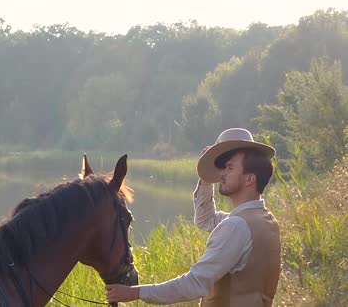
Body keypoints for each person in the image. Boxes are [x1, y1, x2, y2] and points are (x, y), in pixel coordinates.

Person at [106, 128, 281, 306]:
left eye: (229, 168)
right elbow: (205, 219)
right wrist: (207, 177)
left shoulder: (236, 226)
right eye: (222, 168)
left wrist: (134, 292)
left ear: (249, 179)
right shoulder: (264, 219)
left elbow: (194, 283)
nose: (222, 173)